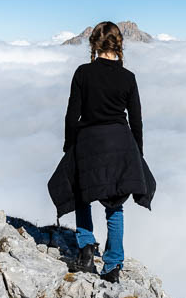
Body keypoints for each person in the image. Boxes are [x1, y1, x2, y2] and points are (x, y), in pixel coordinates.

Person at [47, 21, 156, 283]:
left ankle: (86, 250)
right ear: (119, 45)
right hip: (121, 145)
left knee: (82, 195)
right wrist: (137, 156)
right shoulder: (128, 77)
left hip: (89, 141)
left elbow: (72, 115)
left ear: (94, 44)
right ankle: (112, 266)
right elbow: (136, 121)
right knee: (115, 206)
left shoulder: (83, 73)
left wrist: (69, 147)